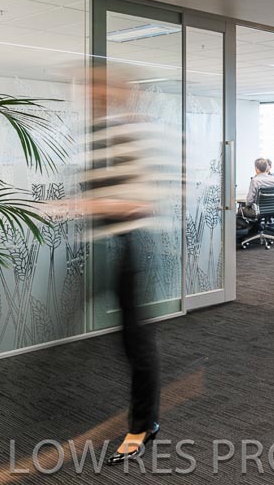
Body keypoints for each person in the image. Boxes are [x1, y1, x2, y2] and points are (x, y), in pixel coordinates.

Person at [77, 66, 173, 464]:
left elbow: (139, 201)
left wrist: (81, 205)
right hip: (114, 247)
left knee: (138, 343)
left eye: (99, 89)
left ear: (118, 92)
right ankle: (144, 419)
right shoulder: (102, 134)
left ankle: (142, 427)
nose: (91, 95)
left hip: (137, 247)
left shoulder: (137, 134)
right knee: (130, 342)